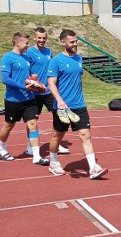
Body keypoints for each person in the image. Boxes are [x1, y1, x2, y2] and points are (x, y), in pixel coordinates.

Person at [45, 29, 108, 179]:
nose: (75, 44)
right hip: (62, 107)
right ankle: (53, 162)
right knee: (57, 135)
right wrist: (60, 101)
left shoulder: (79, 59)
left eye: (76, 41)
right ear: (62, 42)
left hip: (79, 105)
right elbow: (51, 84)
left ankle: (93, 167)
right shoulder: (56, 61)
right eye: (72, 42)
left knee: (85, 134)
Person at [0, 32, 50, 166]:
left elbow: (27, 74)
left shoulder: (26, 57)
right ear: (17, 43)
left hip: (29, 98)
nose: (28, 45)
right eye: (26, 43)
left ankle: (36, 156)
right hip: (13, 99)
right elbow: (5, 78)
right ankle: (2, 148)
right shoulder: (7, 58)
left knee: (33, 124)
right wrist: (23, 87)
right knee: (9, 125)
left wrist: (33, 78)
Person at [24, 27, 70, 157]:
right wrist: (31, 80)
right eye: (39, 37)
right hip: (34, 93)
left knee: (58, 115)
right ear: (34, 38)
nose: (41, 40)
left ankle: (56, 142)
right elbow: (26, 72)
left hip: (48, 91)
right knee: (32, 121)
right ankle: (30, 146)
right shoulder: (29, 52)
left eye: (44, 38)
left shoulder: (49, 52)